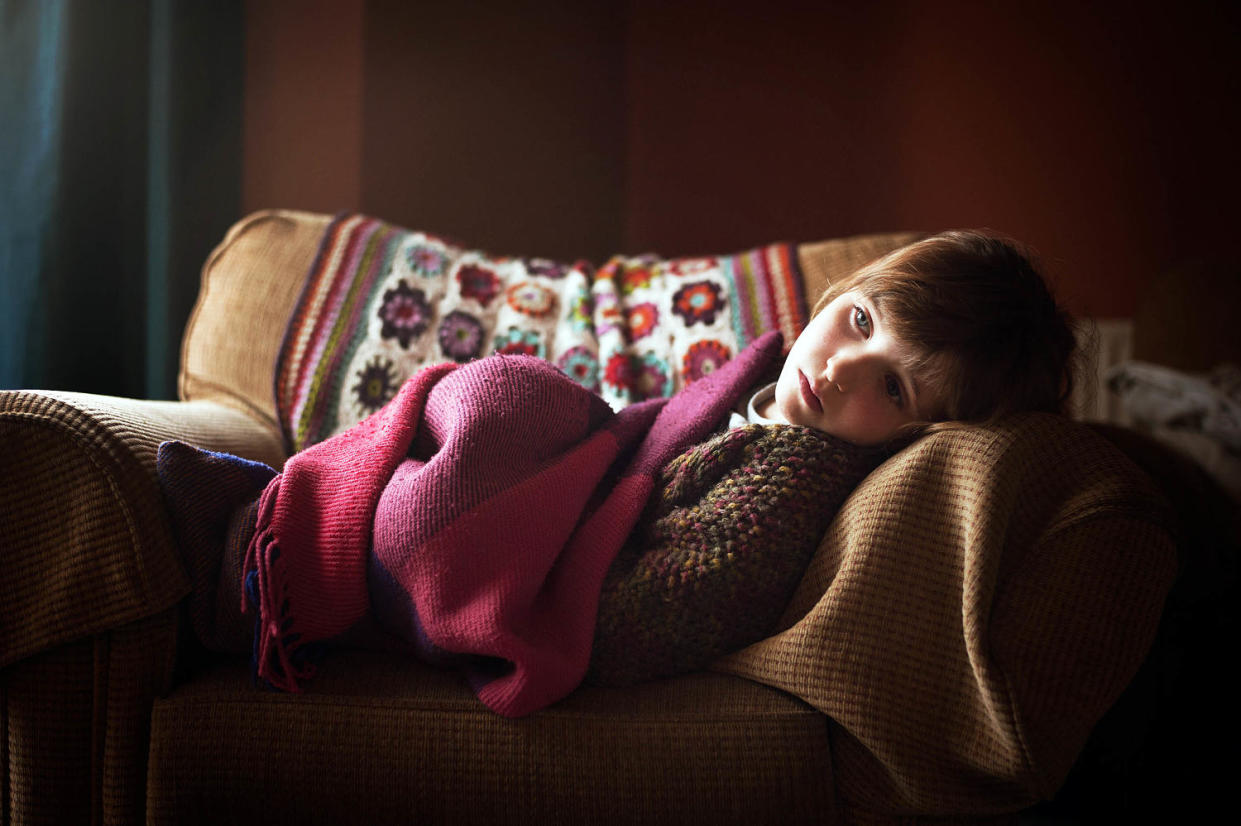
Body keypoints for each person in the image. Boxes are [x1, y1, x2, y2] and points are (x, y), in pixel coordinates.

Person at [733, 229, 1077, 445]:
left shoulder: (797, 484)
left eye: (893, 388)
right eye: (862, 320)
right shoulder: (756, 368)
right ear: (851, 287)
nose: (838, 370)